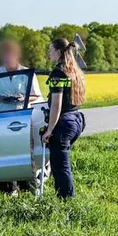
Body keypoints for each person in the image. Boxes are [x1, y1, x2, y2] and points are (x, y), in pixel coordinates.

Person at [41, 38, 87, 199]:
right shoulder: (74, 70)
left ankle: (66, 201)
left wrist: (49, 130)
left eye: (50, 50)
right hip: (77, 119)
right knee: (60, 163)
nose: (49, 53)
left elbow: (56, 105)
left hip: (64, 123)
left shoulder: (58, 73)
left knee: (60, 166)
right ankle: (64, 197)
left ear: (59, 52)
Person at [0, 40, 43, 113]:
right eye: (4, 56)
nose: (6, 59)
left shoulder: (27, 73)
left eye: (9, 56)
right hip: (1, 114)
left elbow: (35, 95)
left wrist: (22, 99)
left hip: (22, 113)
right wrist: (2, 99)